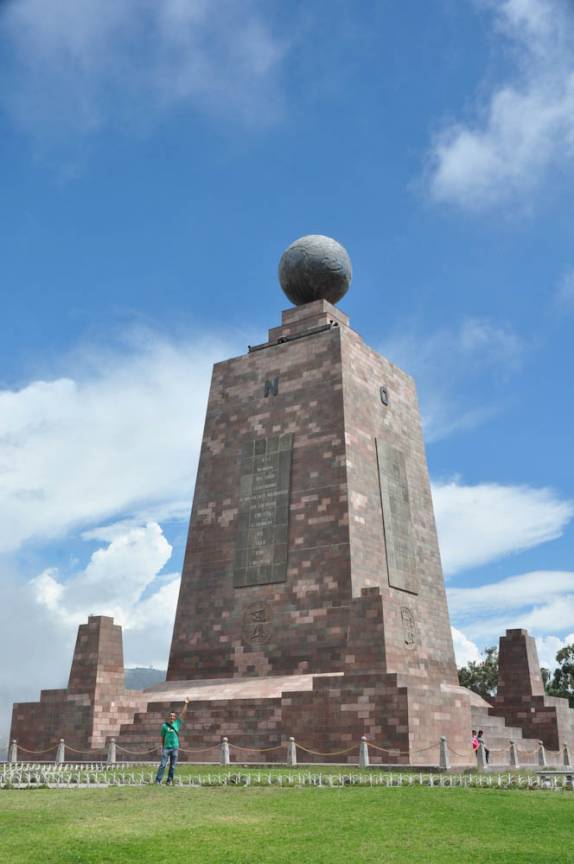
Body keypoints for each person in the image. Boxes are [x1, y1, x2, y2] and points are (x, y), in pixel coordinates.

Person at [155, 698, 189, 785]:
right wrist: (163, 747)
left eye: (173, 716)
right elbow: (162, 737)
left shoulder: (177, 723)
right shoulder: (164, 726)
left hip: (174, 747)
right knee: (163, 764)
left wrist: (186, 704)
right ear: (169, 717)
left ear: (175, 717)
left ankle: (169, 781)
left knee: (173, 766)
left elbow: (183, 714)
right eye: (171, 716)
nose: (172, 717)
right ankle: (158, 780)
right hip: (166, 748)